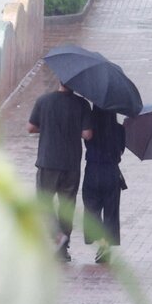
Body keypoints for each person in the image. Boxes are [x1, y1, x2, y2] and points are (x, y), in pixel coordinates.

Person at [28, 82, 94, 262]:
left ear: (59, 80)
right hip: (71, 163)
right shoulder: (82, 104)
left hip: (48, 161)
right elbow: (87, 134)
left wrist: (48, 128)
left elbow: (31, 127)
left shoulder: (44, 101)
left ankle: (57, 236)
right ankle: (63, 250)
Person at [82, 107, 127, 261]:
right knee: (111, 212)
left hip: (93, 170)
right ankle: (106, 244)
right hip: (112, 172)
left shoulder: (90, 129)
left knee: (91, 209)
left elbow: (86, 140)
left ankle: (101, 241)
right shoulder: (120, 129)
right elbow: (120, 152)